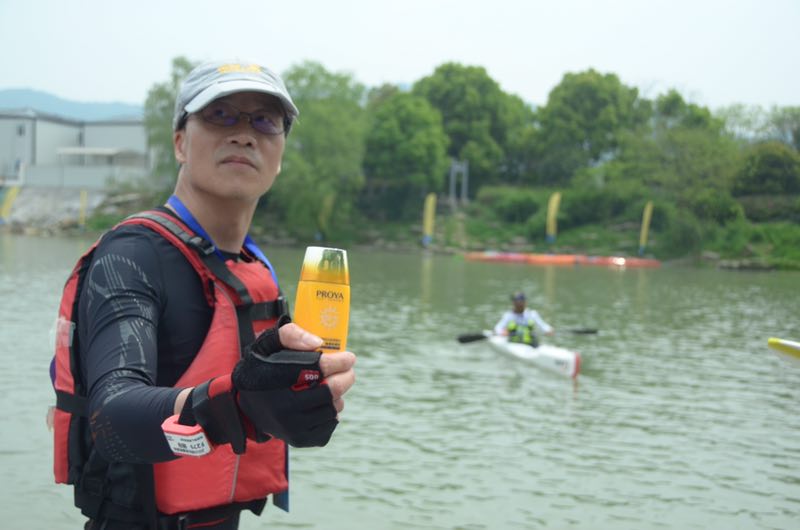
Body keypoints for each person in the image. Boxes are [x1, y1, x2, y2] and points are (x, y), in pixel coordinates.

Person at [50, 60, 357, 530]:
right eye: (220, 115)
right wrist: (233, 407)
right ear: (179, 142)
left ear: (280, 154)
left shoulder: (252, 266)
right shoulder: (131, 255)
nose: (244, 134)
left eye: (264, 120)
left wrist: (300, 399)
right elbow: (111, 417)